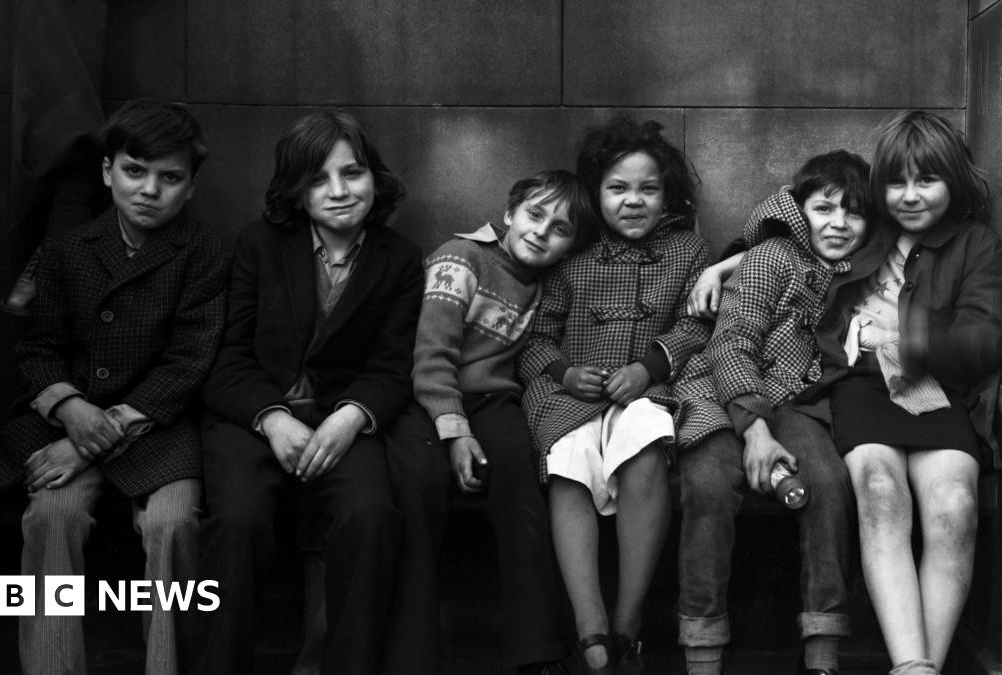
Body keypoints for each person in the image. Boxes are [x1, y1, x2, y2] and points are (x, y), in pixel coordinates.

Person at [0, 98, 225, 675]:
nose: (149, 190)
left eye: (170, 178)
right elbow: (38, 349)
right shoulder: (66, 251)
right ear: (108, 172)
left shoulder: (203, 253)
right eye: (134, 171)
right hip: (71, 418)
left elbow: (190, 361)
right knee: (50, 517)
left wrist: (97, 433)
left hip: (158, 426)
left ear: (191, 185)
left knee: (173, 525)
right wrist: (71, 409)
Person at [189, 109, 424, 675]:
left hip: (343, 422)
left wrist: (350, 419)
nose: (340, 191)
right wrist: (271, 418)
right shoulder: (259, 245)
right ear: (295, 191)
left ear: (375, 178)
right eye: (318, 179)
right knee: (239, 521)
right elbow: (227, 357)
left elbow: (392, 367)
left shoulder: (400, 259)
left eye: (353, 172)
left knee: (369, 516)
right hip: (254, 419)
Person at [809, 111, 1002, 675]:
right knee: (879, 491)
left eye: (928, 180)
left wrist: (901, 337)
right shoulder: (865, 224)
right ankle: (912, 666)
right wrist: (724, 264)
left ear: (955, 180)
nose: (910, 196)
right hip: (863, 389)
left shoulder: (976, 244)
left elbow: (984, 340)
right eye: (897, 182)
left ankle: (924, 667)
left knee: (954, 508)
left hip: (936, 392)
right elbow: (785, 212)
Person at [518, 117, 713, 675]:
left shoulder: (688, 251)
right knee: (567, 458)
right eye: (617, 189)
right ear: (595, 192)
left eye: (648, 189)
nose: (633, 201)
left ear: (667, 195)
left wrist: (652, 365)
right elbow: (535, 336)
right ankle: (590, 628)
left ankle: (628, 624)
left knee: (647, 441)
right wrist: (562, 370)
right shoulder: (570, 251)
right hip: (572, 392)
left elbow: (698, 325)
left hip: (652, 387)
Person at [388, 170, 596, 675]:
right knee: (419, 489)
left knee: (521, 487)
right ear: (509, 213)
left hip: (493, 402)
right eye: (534, 214)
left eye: (561, 229)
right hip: (425, 398)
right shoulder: (463, 257)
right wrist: (454, 430)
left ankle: (539, 653)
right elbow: (431, 356)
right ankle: (411, 659)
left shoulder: (546, 284)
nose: (542, 232)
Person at [674, 150, 873, 675]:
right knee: (708, 487)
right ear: (799, 209)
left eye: (854, 213)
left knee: (828, 484)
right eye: (824, 208)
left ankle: (823, 655)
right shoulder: (772, 258)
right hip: (721, 393)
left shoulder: (860, 271)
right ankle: (703, 652)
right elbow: (731, 343)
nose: (838, 224)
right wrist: (755, 430)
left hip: (795, 403)